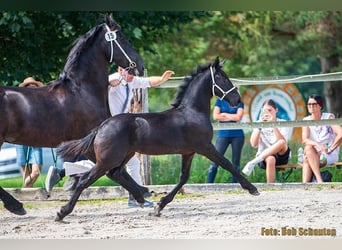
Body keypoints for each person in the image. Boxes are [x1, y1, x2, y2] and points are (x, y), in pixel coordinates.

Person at [45, 67, 175, 207]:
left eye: (134, 74)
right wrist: (111, 82)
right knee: (115, 164)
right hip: (111, 130)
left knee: (108, 164)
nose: (132, 76)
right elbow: (102, 83)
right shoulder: (115, 78)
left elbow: (148, 81)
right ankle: (136, 197)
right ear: (121, 70)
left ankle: (63, 172)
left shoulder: (131, 80)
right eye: (129, 73)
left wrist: (162, 79)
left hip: (121, 130)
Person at [242, 99, 291, 183]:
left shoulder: (283, 122)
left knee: (282, 142)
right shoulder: (258, 123)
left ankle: (252, 162)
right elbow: (254, 144)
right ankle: (270, 187)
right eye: (265, 110)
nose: (267, 113)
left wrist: (273, 125)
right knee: (271, 158)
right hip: (264, 157)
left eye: (270, 110)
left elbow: (283, 143)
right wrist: (260, 126)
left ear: (276, 110)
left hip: (281, 155)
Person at [301, 94, 342, 183]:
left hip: (328, 153)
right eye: (309, 104)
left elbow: (340, 134)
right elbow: (304, 140)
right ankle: (318, 180)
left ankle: (306, 185)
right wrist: (317, 144)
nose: (311, 106)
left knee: (307, 159)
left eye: (313, 104)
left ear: (320, 105)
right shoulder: (306, 120)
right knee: (308, 148)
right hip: (313, 152)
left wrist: (330, 149)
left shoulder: (328, 117)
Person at [206, 99, 245, 183]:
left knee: (236, 162)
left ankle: (234, 186)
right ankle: (208, 185)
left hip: (238, 135)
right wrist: (232, 116)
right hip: (223, 134)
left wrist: (224, 115)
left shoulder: (239, 102)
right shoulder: (219, 101)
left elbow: (238, 117)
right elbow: (215, 116)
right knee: (215, 159)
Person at [16, 77, 44, 187]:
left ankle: (23, 189)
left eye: (35, 87)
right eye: (30, 87)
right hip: (21, 140)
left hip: (36, 140)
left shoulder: (41, 105)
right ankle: (27, 195)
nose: (33, 90)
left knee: (36, 172)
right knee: (26, 174)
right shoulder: (19, 103)